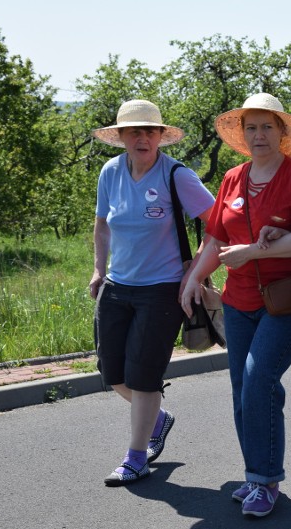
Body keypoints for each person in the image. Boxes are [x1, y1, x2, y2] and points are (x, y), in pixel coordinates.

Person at [180, 93, 291, 517]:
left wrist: (253, 253)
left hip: (286, 302)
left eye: (267, 126)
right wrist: (195, 278)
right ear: (243, 135)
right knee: (244, 390)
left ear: (282, 133)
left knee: (260, 381)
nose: (259, 135)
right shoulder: (233, 178)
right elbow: (217, 240)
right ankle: (257, 474)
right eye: (252, 127)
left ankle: (264, 480)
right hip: (238, 301)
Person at [90, 100, 216, 486]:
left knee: (144, 377)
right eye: (134, 131)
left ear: (161, 137)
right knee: (112, 373)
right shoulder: (111, 172)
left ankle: (135, 457)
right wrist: (98, 268)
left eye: (150, 131)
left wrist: (194, 273)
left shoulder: (177, 176)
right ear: (122, 138)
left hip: (162, 290)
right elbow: (102, 226)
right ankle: (158, 419)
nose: (142, 138)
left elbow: (217, 225)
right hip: (116, 285)